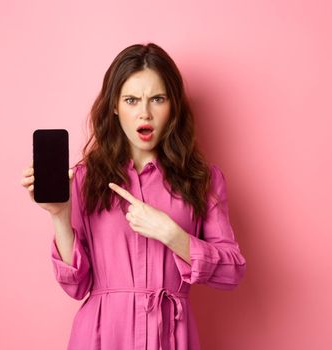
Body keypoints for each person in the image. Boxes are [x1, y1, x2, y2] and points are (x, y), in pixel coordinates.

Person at [20, 42, 246, 350]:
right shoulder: (87, 179)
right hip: (101, 337)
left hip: (171, 337)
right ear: (114, 106)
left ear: (173, 105)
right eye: (131, 100)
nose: (145, 112)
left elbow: (232, 271)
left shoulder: (203, 180)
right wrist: (59, 215)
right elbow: (76, 285)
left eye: (157, 99)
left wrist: (172, 235)